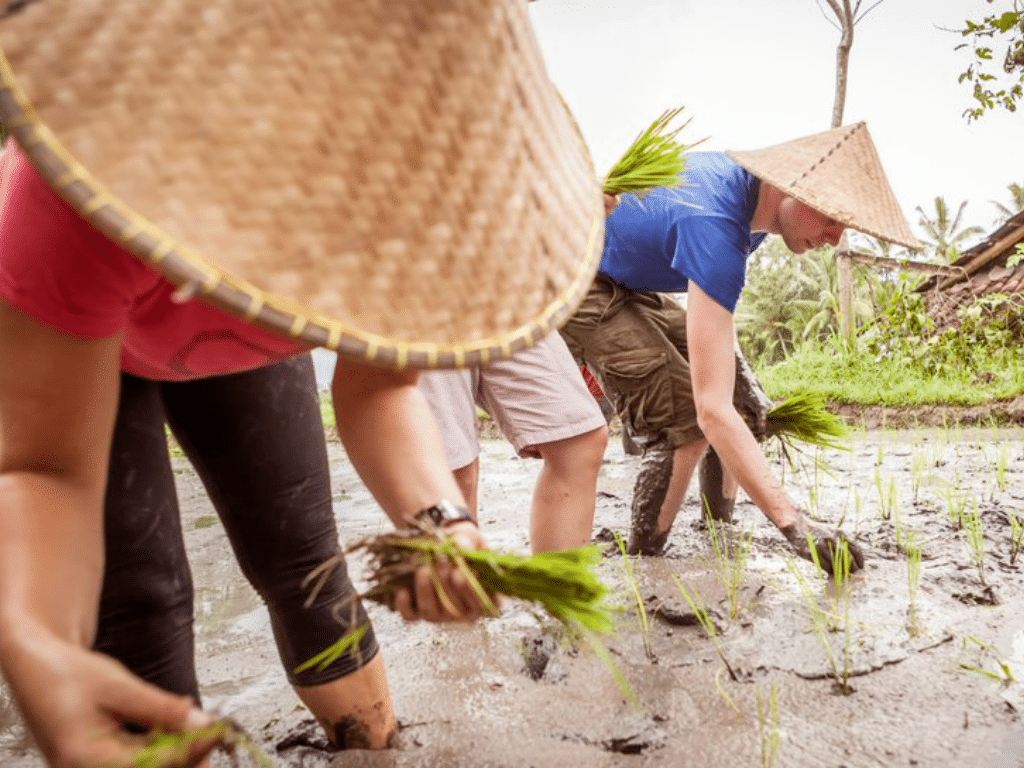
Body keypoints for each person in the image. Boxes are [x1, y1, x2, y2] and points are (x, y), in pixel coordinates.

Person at [0, 3, 604, 767]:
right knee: (142, 603)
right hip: (90, 354)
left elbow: (379, 389)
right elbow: (46, 468)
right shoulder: (76, 182)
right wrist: (34, 638)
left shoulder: (420, 205)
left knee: (308, 565)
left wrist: (441, 521)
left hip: (235, 351)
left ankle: (376, 750)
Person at [560, 122, 920, 569]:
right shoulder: (715, 223)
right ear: (788, 187)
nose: (836, 238)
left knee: (746, 407)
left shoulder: (753, 209)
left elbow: (718, 345)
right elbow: (710, 410)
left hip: (630, 279)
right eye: (831, 218)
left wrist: (742, 385)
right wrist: (796, 526)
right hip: (577, 280)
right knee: (683, 421)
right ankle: (645, 564)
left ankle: (717, 532)